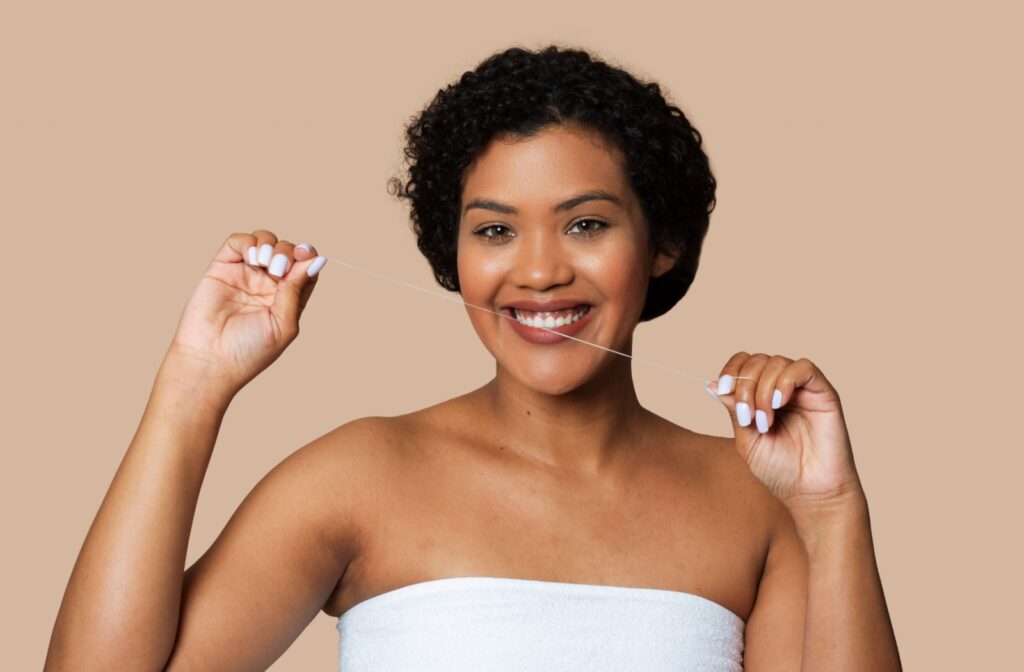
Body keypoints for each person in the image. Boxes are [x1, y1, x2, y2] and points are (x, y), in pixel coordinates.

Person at [45, 44, 901, 671]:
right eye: (494, 230)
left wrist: (832, 509)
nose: (537, 270)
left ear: (664, 241)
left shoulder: (759, 502)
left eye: (586, 223)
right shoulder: (361, 475)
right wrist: (193, 385)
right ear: (451, 254)